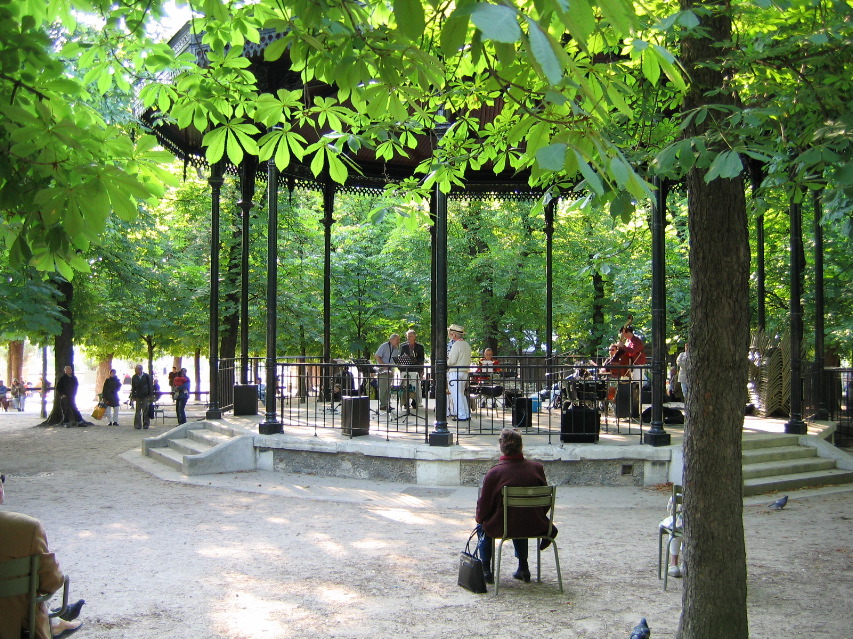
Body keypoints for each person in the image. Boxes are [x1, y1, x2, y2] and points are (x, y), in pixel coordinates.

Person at [0, 475, 84, 639]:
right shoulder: (26, 527)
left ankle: (58, 622)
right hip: (19, 630)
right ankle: (56, 623)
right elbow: (52, 582)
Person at [475, 429, 557, 584]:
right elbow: (545, 503)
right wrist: (534, 514)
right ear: (521, 446)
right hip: (534, 524)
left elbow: (484, 508)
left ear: (501, 446)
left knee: (483, 525)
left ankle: (486, 569)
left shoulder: (495, 473)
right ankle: (523, 567)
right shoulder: (536, 468)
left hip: (503, 526)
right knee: (522, 515)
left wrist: (480, 519)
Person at [447, 324, 472, 421]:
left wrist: (447, 361)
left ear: (453, 335)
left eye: (450, 333)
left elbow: (452, 361)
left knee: (456, 395)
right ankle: (467, 414)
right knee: (461, 394)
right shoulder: (466, 344)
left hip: (455, 372)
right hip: (464, 372)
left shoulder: (456, 345)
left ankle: (461, 415)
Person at [398, 329, 425, 410]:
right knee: (405, 386)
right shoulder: (403, 346)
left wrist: (421, 369)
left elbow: (422, 359)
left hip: (415, 369)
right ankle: (405, 402)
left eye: (410, 336)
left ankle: (415, 402)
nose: (408, 338)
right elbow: (400, 358)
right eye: (407, 336)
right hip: (406, 369)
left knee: (415, 386)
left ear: (414, 337)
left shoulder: (420, 347)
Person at [660, 490, 684, 578]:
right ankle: (685, 562)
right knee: (684, 535)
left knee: (675, 532)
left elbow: (670, 510)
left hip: (679, 525)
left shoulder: (678, 494)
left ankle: (673, 563)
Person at [374, 333, 401, 412]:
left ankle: (387, 404)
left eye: (398, 340)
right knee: (383, 388)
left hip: (390, 370)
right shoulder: (384, 346)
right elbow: (376, 356)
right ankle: (383, 405)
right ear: (391, 340)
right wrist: (383, 365)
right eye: (397, 340)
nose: (398, 342)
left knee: (388, 388)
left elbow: (395, 360)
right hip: (382, 370)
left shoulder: (396, 349)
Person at [130, 365, 154, 430]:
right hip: (138, 395)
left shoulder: (146, 376)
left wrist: (150, 395)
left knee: (145, 410)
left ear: (140, 370)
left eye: (137, 369)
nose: (135, 371)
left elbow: (150, 386)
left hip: (145, 395)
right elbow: (133, 387)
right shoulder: (134, 377)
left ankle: (146, 424)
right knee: (138, 410)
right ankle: (137, 425)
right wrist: (133, 396)